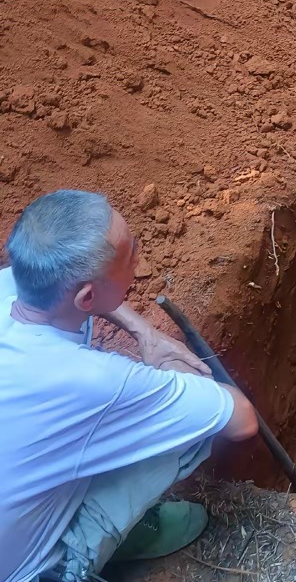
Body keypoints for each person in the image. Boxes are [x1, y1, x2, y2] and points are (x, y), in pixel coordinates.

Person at [0, 190, 258, 582]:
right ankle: (97, 544)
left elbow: (83, 294)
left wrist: (145, 332)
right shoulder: (98, 382)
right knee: (183, 431)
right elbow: (241, 421)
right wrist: (176, 374)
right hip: (25, 570)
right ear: (87, 296)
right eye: (130, 254)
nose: (138, 256)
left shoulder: (20, 287)